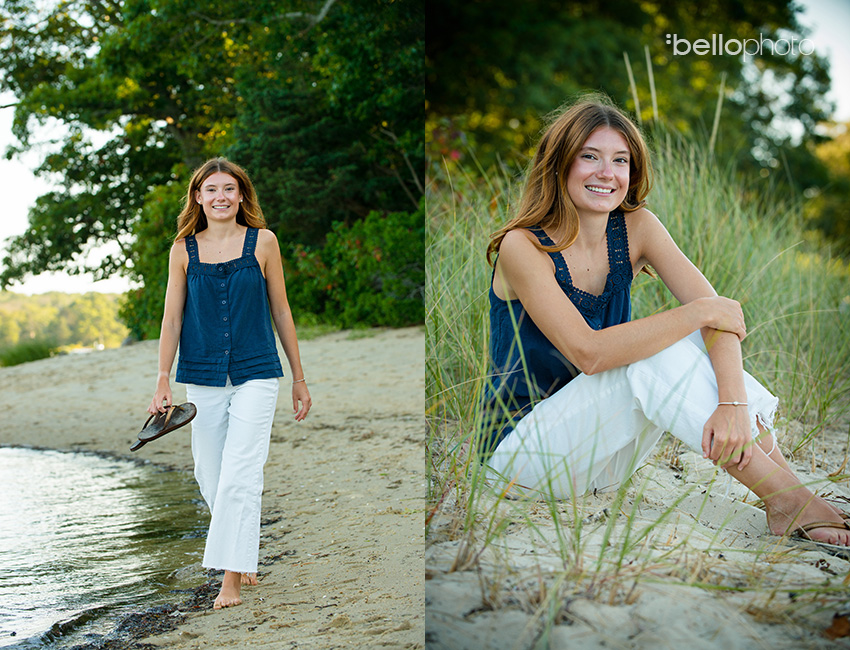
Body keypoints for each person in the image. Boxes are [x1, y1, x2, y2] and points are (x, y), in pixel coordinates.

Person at [481, 96, 850, 550]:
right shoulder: (523, 247)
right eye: (589, 157)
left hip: (605, 455)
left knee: (680, 345)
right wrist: (698, 313)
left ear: (632, 173)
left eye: (620, 161)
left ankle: (790, 493)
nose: (606, 173)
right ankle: (789, 499)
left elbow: (725, 320)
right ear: (559, 163)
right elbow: (590, 353)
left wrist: (732, 404)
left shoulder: (638, 227)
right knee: (656, 351)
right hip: (522, 459)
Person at [148, 157, 312, 609]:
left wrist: (299, 378)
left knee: (241, 472)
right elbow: (172, 316)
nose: (220, 197)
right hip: (201, 374)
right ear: (197, 197)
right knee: (210, 474)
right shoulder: (183, 248)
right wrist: (162, 378)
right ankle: (243, 551)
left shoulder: (264, 243)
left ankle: (231, 579)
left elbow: (281, 310)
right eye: (211, 190)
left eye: (229, 189)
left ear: (241, 195)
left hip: (257, 370)